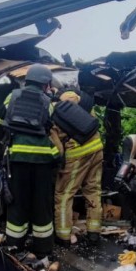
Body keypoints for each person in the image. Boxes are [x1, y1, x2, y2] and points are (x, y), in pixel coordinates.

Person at [0, 64, 60, 258]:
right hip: (43, 161)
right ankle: (43, 248)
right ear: (45, 83)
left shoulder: (11, 97)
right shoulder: (48, 102)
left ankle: (15, 245)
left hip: (17, 159)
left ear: (28, 80)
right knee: (41, 203)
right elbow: (50, 127)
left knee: (17, 203)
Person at [51, 89, 103, 247]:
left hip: (76, 154)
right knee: (93, 190)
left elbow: (58, 149)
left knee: (64, 194)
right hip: (97, 148)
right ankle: (94, 233)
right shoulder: (82, 104)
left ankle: (63, 236)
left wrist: (58, 164)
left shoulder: (54, 113)